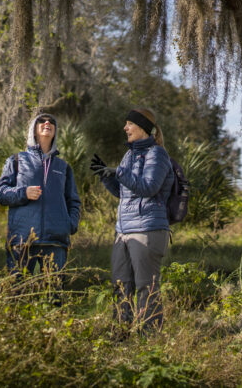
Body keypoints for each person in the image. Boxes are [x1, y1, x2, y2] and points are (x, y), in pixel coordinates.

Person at [90, 107, 174, 330]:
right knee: (120, 285)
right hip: (124, 230)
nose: (125, 128)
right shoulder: (129, 155)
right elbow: (123, 192)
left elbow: (149, 187)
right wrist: (106, 177)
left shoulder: (157, 154)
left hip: (147, 229)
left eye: (130, 123)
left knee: (146, 286)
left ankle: (149, 338)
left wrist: (118, 172)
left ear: (143, 128)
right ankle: (121, 334)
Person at [0, 113, 81, 277]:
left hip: (56, 240)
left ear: (55, 132)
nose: (47, 122)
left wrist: (69, 225)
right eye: (41, 120)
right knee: (17, 291)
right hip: (22, 239)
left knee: (53, 296)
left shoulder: (63, 167)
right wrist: (23, 193)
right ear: (33, 130)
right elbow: (0, 192)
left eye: (51, 121)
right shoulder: (17, 160)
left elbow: (74, 201)